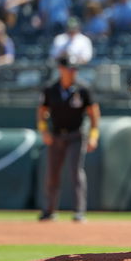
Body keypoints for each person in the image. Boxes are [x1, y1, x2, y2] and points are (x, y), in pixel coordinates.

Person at [37, 56, 100, 222]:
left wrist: (93, 135)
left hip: (76, 135)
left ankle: (79, 212)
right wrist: (44, 131)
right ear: (61, 69)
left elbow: (94, 113)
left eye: (74, 69)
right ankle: (49, 211)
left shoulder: (83, 88)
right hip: (56, 135)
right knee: (52, 173)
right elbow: (42, 111)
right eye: (69, 69)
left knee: (75, 172)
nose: (73, 72)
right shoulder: (50, 89)